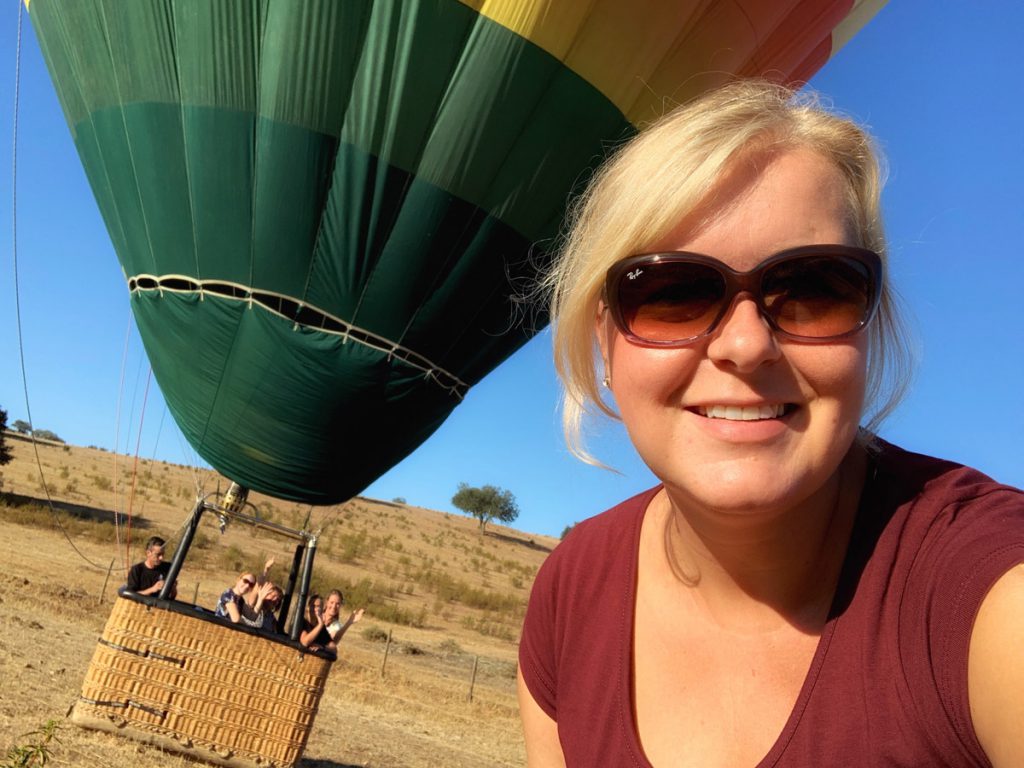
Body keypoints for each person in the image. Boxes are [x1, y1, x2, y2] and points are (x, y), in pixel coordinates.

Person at [518, 80, 1024, 767]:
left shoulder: (982, 589)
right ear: (606, 341)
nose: (746, 345)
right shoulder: (572, 592)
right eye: (673, 295)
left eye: (815, 289)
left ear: (870, 325)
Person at [300, 589, 364, 651]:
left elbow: (333, 642)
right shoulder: (308, 619)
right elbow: (305, 642)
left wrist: (349, 622)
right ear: (327, 602)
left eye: (337, 604)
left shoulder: (334, 626)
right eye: (332, 602)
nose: (334, 606)